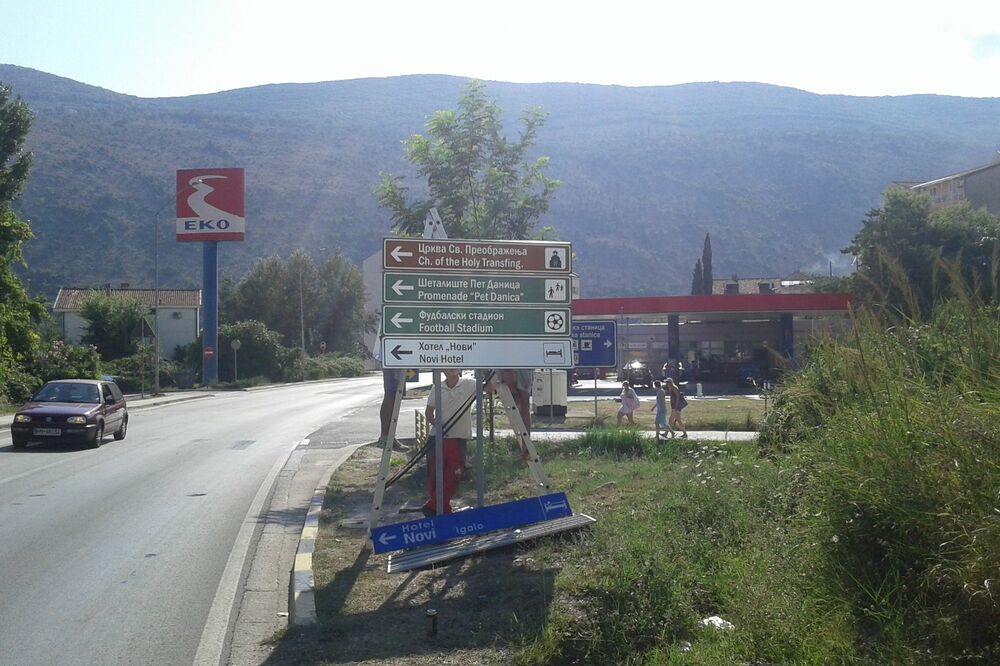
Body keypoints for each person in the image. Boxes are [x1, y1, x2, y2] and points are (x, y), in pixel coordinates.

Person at [423, 369, 477, 517]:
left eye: (456, 364)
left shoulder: (469, 384)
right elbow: (429, 412)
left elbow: (490, 388)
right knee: (436, 477)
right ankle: (443, 512)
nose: (453, 368)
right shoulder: (437, 387)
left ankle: (432, 506)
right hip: (437, 438)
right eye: (449, 364)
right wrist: (438, 426)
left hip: (458, 437)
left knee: (453, 477)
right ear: (442, 369)